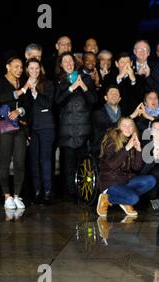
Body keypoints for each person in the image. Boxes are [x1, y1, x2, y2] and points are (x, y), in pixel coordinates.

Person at [55, 52, 98, 200]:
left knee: (83, 163)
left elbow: (94, 101)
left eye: (70, 61)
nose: (68, 63)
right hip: (66, 131)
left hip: (83, 130)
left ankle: (83, 193)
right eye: (65, 61)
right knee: (68, 165)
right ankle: (71, 194)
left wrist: (84, 87)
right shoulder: (59, 81)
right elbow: (57, 102)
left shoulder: (86, 78)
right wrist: (71, 88)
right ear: (61, 65)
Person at [96, 117, 156, 218]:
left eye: (130, 126)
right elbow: (112, 165)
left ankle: (124, 199)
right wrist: (127, 148)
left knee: (151, 180)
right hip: (110, 182)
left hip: (125, 180)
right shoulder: (111, 140)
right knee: (134, 199)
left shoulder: (131, 139)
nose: (128, 128)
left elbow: (136, 168)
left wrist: (138, 150)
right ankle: (106, 199)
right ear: (118, 128)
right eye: (125, 126)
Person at [0, 57, 30, 209]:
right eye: (16, 67)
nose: (19, 70)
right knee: (4, 162)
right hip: (5, 128)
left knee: (20, 163)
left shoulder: (22, 82)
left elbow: (26, 104)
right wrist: (21, 91)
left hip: (20, 128)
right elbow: (1, 98)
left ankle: (16, 196)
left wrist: (20, 110)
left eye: (21, 67)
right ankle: (7, 196)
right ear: (8, 67)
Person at [24, 58, 55, 205]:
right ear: (27, 70)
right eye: (31, 68)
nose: (34, 71)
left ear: (40, 69)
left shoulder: (47, 84)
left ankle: (48, 192)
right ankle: (37, 192)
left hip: (46, 127)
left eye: (37, 68)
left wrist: (35, 91)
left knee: (45, 160)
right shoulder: (24, 85)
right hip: (32, 129)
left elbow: (48, 103)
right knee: (34, 161)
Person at [140, 118, 159, 216]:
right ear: (151, 131)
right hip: (149, 175)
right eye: (155, 129)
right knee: (156, 173)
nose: (158, 132)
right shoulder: (144, 145)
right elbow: (142, 170)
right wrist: (154, 158)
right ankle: (152, 203)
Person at [107, 52, 144, 116]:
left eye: (127, 62)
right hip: (114, 114)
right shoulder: (109, 78)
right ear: (116, 64)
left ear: (131, 63)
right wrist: (119, 78)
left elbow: (140, 96)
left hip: (135, 114)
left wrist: (133, 80)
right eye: (122, 62)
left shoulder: (140, 78)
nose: (125, 65)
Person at [91, 85, 122, 157]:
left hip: (120, 149)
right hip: (101, 151)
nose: (114, 95)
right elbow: (109, 127)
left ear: (119, 99)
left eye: (116, 94)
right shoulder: (98, 113)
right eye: (111, 93)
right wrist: (130, 118)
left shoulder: (123, 113)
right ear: (105, 98)